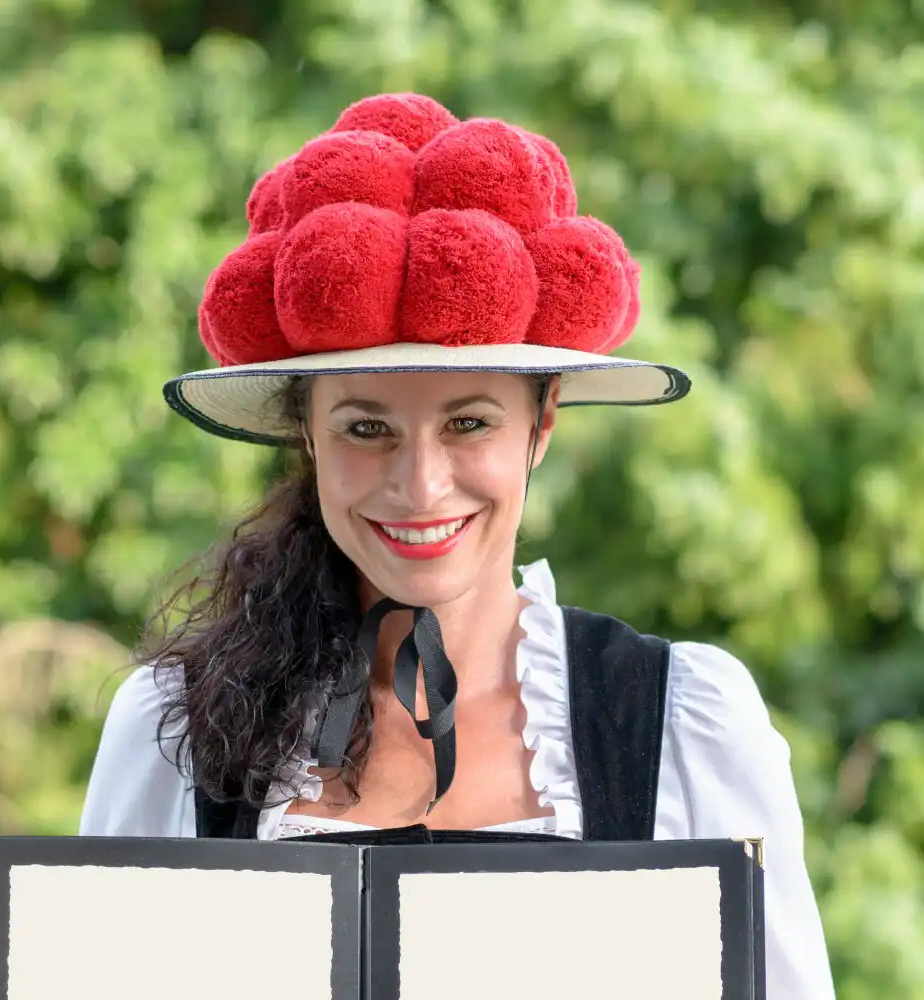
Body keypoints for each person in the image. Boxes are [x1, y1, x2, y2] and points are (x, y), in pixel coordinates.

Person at [79, 92, 835, 996]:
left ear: (541, 426)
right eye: (367, 429)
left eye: (469, 422)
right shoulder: (174, 730)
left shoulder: (680, 723)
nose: (421, 485)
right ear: (308, 434)